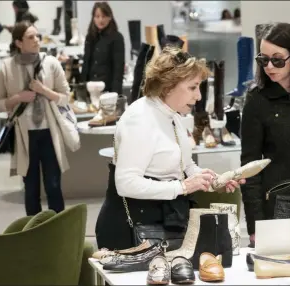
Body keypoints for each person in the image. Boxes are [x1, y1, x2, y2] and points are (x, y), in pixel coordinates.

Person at [95, 47, 245, 250]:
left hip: (162, 223)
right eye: (192, 88)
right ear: (167, 87)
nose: (199, 96)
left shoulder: (172, 115)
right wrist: (182, 187)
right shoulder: (140, 119)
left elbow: (184, 164)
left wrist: (212, 180)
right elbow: (125, 183)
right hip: (130, 229)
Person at [240, 23, 290, 246]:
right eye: (263, 59)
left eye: (277, 59)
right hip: (278, 203)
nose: (269, 66)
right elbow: (249, 167)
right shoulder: (257, 101)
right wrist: (255, 224)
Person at [0, 21, 71, 216]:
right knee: (31, 189)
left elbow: (65, 97)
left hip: (50, 133)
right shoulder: (6, 68)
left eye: (37, 36)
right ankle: (33, 234)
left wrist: (43, 90)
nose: (36, 40)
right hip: (24, 136)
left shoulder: (51, 63)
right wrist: (18, 98)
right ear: (19, 42)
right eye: (30, 37)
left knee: (53, 186)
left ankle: (59, 230)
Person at [81, 1, 125, 95]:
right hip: (90, 88)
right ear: (93, 18)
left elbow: (118, 69)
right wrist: (82, 88)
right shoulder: (90, 37)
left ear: (110, 17)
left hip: (108, 89)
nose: (100, 20)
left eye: (104, 16)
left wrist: (115, 93)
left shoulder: (116, 37)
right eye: (97, 16)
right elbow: (86, 65)